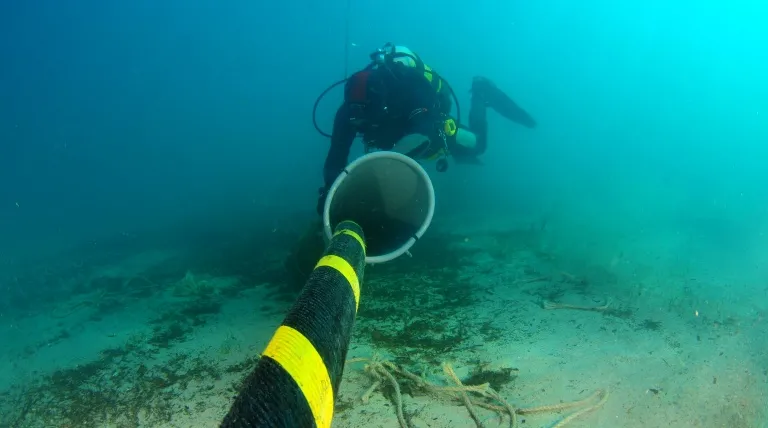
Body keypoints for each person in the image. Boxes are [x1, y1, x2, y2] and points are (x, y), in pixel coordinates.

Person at [316, 43, 537, 215]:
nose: (360, 124)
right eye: (356, 120)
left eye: (365, 118)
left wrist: (384, 167)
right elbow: (337, 152)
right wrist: (330, 191)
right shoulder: (349, 111)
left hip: (433, 129)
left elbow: (424, 131)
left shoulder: (410, 87)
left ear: (380, 101)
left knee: (477, 145)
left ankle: (480, 92)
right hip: (399, 141)